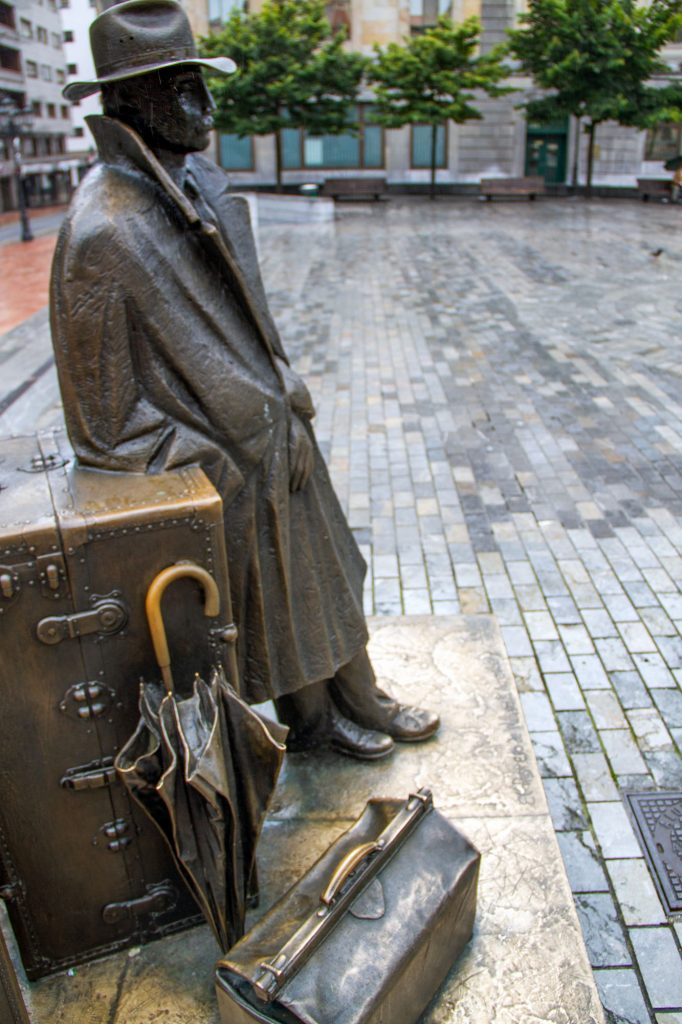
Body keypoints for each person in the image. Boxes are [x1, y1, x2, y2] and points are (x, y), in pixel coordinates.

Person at [51, 0, 439, 761]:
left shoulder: (196, 184)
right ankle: (318, 716)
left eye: (200, 83)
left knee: (329, 566)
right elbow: (102, 426)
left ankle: (355, 692)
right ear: (133, 101)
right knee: (283, 585)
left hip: (270, 433)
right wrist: (226, 458)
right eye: (184, 89)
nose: (207, 106)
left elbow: (249, 324)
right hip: (221, 461)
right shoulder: (103, 232)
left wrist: (283, 387)